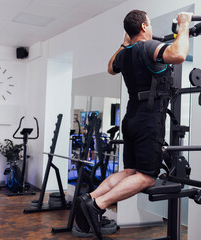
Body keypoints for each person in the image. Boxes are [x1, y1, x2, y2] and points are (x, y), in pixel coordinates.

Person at [75, 10, 192, 239]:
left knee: (129, 171)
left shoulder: (124, 53)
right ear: (144, 28)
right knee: (147, 176)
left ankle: (89, 198)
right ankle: (98, 205)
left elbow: (110, 68)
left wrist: (124, 43)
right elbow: (178, 55)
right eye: (149, 24)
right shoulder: (148, 47)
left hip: (130, 119)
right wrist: (184, 25)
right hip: (149, 119)